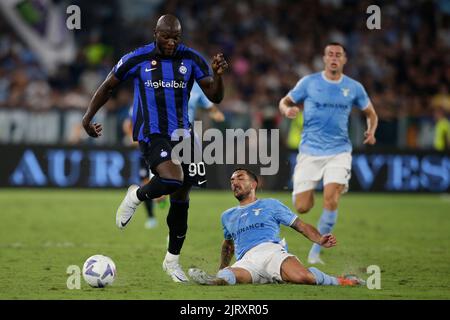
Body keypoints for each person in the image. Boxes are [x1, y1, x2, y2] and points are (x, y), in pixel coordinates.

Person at [82, 14, 228, 282]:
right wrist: (88, 117)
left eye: (176, 38)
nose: (171, 42)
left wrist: (218, 76)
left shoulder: (192, 59)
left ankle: (172, 261)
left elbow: (215, 95)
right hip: (152, 133)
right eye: (166, 37)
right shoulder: (137, 58)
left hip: (184, 135)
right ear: (155, 34)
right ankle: (136, 196)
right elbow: (108, 86)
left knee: (182, 199)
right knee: (173, 179)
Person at [278, 43, 378, 265]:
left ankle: (315, 253)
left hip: (339, 152)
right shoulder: (309, 82)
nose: (334, 58)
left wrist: (371, 130)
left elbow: (371, 113)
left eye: (338, 55)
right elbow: (284, 102)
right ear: (324, 58)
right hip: (310, 153)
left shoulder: (354, 87)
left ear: (344, 59)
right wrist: (288, 110)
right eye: (330, 54)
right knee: (302, 207)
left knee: (331, 199)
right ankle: (311, 185)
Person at [188, 168, 364, 286]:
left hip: (272, 253)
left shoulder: (271, 204)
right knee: (228, 276)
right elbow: (228, 245)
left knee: (304, 277)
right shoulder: (227, 215)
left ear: (254, 184)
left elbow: (300, 225)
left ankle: (344, 281)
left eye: (240, 178)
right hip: (247, 261)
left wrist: (319, 239)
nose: (234, 182)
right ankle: (212, 280)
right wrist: (222, 268)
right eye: (232, 180)